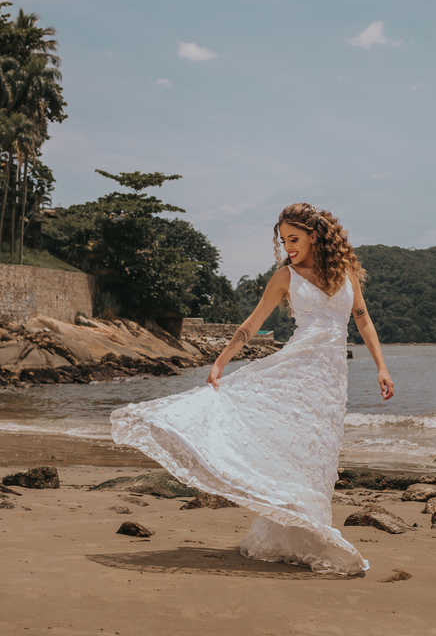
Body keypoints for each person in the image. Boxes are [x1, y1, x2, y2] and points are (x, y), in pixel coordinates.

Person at [111, 202, 394, 575]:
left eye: (294, 239)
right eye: (283, 240)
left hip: (330, 380)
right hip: (294, 371)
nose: (288, 246)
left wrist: (381, 367)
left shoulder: (346, 274)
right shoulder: (285, 277)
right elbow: (252, 322)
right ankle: (296, 534)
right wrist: (220, 361)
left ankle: (299, 532)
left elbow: (362, 319)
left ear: (315, 235)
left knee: (316, 455)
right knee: (292, 446)